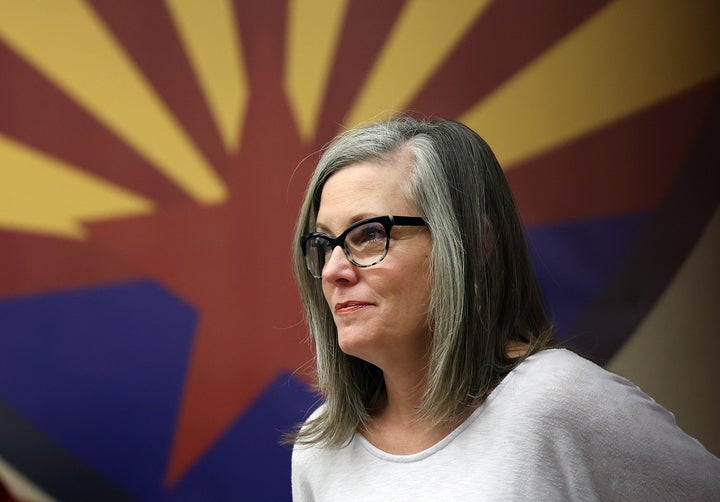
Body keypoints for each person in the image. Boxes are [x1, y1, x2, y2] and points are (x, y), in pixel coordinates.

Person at [289, 116, 720, 501]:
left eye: (367, 235)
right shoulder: (319, 448)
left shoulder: (557, 399)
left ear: (474, 245)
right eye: (323, 245)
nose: (333, 271)